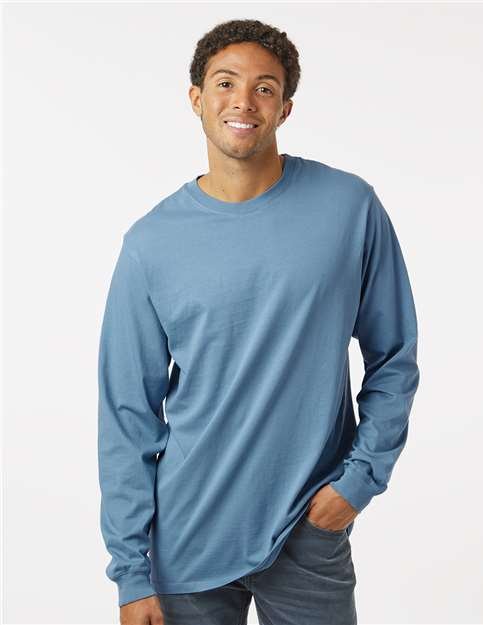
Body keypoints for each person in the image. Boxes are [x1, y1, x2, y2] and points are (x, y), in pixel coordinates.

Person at [97, 18, 420, 625]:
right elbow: (127, 413)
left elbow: (394, 353)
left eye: (264, 88)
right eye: (225, 83)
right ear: (196, 98)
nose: (243, 101)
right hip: (185, 539)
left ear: (285, 108)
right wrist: (131, 572)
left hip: (308, 530)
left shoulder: (349, 208)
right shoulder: (150, 244)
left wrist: (359, 482)